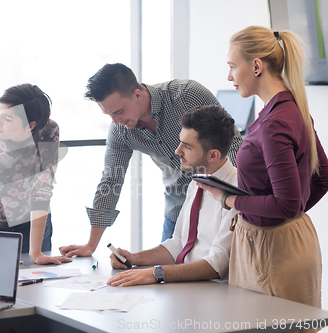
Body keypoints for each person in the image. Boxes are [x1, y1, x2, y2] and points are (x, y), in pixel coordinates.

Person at [198, 26, 328, 315]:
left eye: (232, 66)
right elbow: (323, 177)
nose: (229, 76)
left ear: (256, 66)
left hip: (272, 250)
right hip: (286, 241)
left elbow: (286, 202)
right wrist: (289, 218)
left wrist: (227, 198)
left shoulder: (274, 123)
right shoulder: (291, 109)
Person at [59, 63, 243, 258]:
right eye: (109, 114)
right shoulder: (121, 131)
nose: (115, 121)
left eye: (119, 111)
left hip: (221, 207)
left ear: (137, 95)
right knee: (170, 276)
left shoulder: (187, 95)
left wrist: (242, 197)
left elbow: (231, 143)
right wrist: (91, 244)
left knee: (223, 272)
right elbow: (111, 180)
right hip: (178, 211)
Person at [107, 105, 237, 286]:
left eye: (187, 146)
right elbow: (179, 244)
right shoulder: (197, 182)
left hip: (213, 291)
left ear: (213, 155)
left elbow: (217, 265)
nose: (178, 151)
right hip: (187, 287)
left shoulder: (236, 193)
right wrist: (134, 258)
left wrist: (157, 273)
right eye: (180, 142)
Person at [0, 83, 71, 265]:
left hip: (32, 221)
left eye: (8, 119)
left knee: (33, 281)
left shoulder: (48, 132)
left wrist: (36, 253)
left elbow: (41, 190)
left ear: (30, 125)